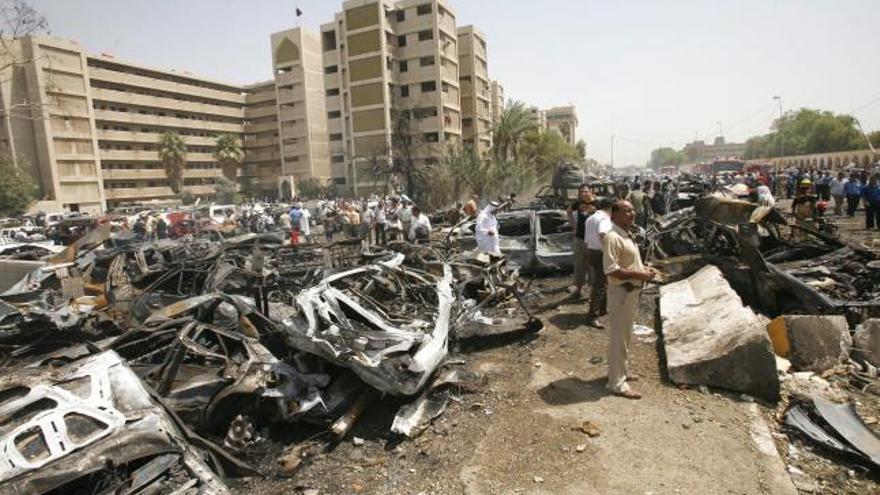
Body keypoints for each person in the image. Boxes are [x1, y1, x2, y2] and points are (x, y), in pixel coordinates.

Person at [602, 200, 658, 400]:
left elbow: (630, 263)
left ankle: (620, 372)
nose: (632, 213)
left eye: (632, 210)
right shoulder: (612, 237)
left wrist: (644, 271)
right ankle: (616, 384)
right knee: (618, 338)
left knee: (624, 336)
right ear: (614, 215)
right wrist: (640, 275)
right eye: (627, 211)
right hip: (621, 294)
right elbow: (612, 270)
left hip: (631, 292)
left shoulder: (627, 235)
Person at [584, 197, 614, 328]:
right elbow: (603, 233)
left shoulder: (590, 218)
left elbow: (587, 239)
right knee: (600, 284)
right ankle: (593, 316)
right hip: (600, 252)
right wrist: (609, 250)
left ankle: (602, 309)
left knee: (602, 281)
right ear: (610, 208)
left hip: (591, 251)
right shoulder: (604, 219)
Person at [566, 184, 594, 298]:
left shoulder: (597, 204)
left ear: (591, 191)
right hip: (580, 238)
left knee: (593, 266)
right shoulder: (577, 203)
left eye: (586, 191)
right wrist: (574, 226)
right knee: (579, 264)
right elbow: (568, 212)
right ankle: (578, 290)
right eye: (581, 192)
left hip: (593, 240)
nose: (583, 194)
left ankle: (593, 292)